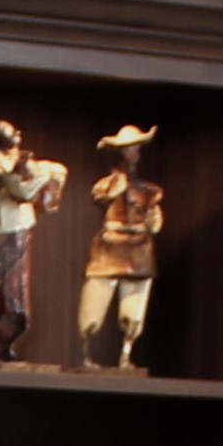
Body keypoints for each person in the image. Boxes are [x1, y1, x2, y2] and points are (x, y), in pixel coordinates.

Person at [0, 118, 67, 362]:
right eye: (7, 135)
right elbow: (22, 191)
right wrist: (43, 178)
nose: (14, 138)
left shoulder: (22, 159)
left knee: (17, 298)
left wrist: (45, 174)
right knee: (1, 296)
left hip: (18, 229)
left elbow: (56, 170)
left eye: (14, 133)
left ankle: (4, 346)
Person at [79, 124, 164, 371]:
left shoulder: (148, 191)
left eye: (137, 146)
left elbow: (156, 223)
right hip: (110, 245)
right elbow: (102, 197)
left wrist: (150, 217)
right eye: (129, 147)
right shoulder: (107, 185)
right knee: (95, 300)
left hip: (138, 249)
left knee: (134, 308)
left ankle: (126, 354)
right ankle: (86, 351)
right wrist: (119, 183)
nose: (134, 151)